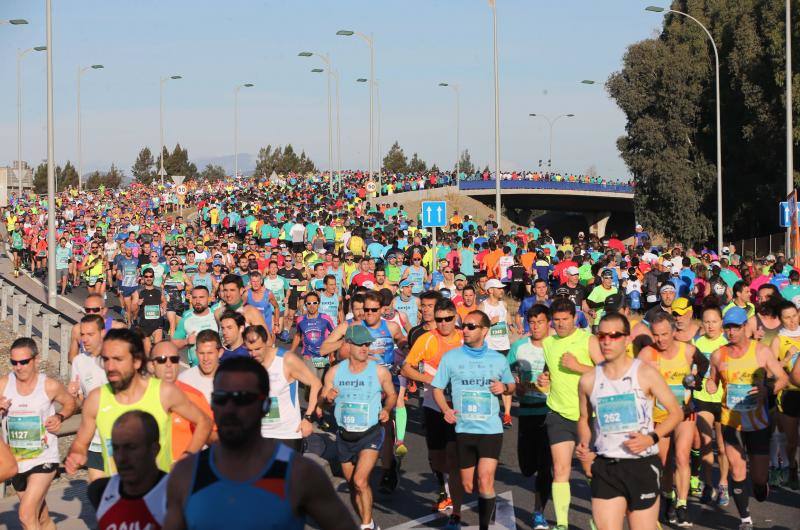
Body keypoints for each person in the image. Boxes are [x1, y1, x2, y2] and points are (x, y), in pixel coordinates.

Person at [163, 356, 357, 530]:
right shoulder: (186, 474)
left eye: (244, 399)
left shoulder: (299, 474)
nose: (231, 408)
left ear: (265, 405)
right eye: (222, 398)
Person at [576, 312, 684, 530]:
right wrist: (585, 446)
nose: (606, 341)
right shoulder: (588, 380)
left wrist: (651, 438)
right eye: (602, 335)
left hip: (640, 465)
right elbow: (585, 418)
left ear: (626, 339)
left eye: (614, 335)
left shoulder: (645, 373)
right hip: (606, 465)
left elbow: (675, 413)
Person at [65, 328, 213, 476]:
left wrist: (187, 458)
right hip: (118, 494)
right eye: (106, 359)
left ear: (136, 361)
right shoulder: (96, 399)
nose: (110, 367)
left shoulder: (163, 393)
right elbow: (81, 443)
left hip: (158, 493)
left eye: (118, 359)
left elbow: (204, 422)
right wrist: (77, 453)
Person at [706, 307, 790, 530]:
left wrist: (767, 390)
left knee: (759, 478)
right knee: (737, 470)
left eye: (735, 327)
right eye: (727, 327)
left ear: (745, 327)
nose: (731, 332)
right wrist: (711, 384)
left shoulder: (761, 352)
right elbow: (711, 380)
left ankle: (761, 486)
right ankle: (745, 519)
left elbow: (782, 378)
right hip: (730, 421)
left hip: (758, 423)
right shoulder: (718, 355)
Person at [432, 310, 516, 530]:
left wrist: (504, 387)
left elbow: (511, 385)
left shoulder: (497, 359)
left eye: (471, 326)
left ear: (484, 331)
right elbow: (437, 389)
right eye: (464, 326)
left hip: (490, 429)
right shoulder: (451, 357)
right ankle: (462, 512)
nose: (465, 330)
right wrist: (445, 410)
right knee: (468, 484)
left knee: (485, 479)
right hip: (463, 428)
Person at [321, 325, 397, 530]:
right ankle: (370, 522)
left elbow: (391, 395)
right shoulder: (335, 372)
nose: (365, 347)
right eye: (360, 344)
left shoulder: (379, 371)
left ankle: (365, 526)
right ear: (348, 344)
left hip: (370, 433)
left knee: (360, 480)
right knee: (354, 487)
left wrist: (387, 409)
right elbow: (323, 399)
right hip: (345, 436)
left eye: (367, 344)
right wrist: (327, 398)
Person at [538, 297, 602, 530]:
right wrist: (543, 379)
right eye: (556, 320)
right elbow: (549, 373)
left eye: (565, 319)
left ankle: (598, 518)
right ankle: (562, 524)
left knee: (590, 471)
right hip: (558, 413)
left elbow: (608, 372)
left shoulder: (589, 340)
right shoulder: (548, 343)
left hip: (588, 416)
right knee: (560, 469)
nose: (561, 324)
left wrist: (578, 367)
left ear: (575, 318)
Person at [638, 312, 707, 526]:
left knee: (682, 457)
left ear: (674, 332)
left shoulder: (687, 350)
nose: (661, 339)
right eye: (656, 335)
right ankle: (669, 499)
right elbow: (633, 378)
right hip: (660, 416)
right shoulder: (647, 354)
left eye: (665, 334)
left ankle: (682, 504)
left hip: (685, 412)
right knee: (665, 464)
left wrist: (696, 380)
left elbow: (703, 365)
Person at [1, 338, 76, 530]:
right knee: (41, 518)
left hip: (43, 458)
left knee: (26, 515)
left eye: (24, 361)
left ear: (35, 360)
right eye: (14, 362)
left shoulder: (49, 386)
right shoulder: (3, 384)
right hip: (16, 460)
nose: (18, 367)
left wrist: (59, 416)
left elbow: (70, 403)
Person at [401, 298, 465, 520]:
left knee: (453, 453)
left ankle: (450, 494)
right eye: (439, 320)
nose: (444, 323)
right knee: (437, 457)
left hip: (459, 406)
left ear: (455, 317)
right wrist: (425, 377)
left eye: (448, 319)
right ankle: (446, 485)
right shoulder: (426, 339)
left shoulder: (464, 337)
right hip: (432, 404)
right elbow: (406, 368)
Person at [508, 305, 553, 530]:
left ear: (549, 323)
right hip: (526, 413)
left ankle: (538, 512)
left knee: (546, 468)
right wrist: (516, 386)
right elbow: (508, 376)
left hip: (551, 413)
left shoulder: (555, 347)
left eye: (540, 322)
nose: (535, 327)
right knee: (527, 467)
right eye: (532, 322)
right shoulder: (518, 347)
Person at [244, 325, 322, 450]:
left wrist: (308, 417)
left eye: (257, 349)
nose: (253, 354)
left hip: (286, 435)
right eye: (249, 350)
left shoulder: (286, 360)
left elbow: (316, 383)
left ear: (267, 342)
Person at [88, 411, 169, 530]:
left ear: (154, 449)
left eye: (130, 448)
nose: (121, 458)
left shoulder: (175, 494)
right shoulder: (100, 490)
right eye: (115, 448)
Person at [148, 341, 217, 460]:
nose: (169, 364)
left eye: (174, 359)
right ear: (151, 365)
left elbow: (214, 438)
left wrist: (187, 456)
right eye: (162, 359)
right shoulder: (139, 395)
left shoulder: (194, 396)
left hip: (183, 473)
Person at [692, 305, 731, 506]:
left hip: (724, 400)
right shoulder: (697, 343)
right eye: (706, 322)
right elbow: (690, 370)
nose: (710, 326)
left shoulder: (727, 343)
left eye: (714, 321)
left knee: (723, 447)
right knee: (706, 442)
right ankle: (708, 485)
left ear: (721, 323)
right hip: (703, 398)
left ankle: (723, 484)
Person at [68, 314, 111, 482]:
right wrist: (73, 396)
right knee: (97, 492)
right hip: (94, 439)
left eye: (90, 334)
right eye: (82, 334)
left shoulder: (116, 358)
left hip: (119, 438)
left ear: (102, 333)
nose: (84, 339)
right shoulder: (79, 361)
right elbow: (81, 403)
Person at [771, 300, 800, 489]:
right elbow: (771, 369)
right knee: (792, 440)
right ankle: (792, 468)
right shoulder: (778, 340)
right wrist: (788, 358)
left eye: (794, 316)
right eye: (787, 318)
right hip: (788, 395)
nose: (792, 321)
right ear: (780, 320)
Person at [480, 278, 515, 428]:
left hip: (504, 347)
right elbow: (479, 329)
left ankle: (507, 414)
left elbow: (508, 321)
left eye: (502, 288)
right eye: (499, 288)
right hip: (489, 349)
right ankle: (489, 411)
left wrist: (513, 327)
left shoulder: (504, 304)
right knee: (490, 381)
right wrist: (490, 322)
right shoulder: (482, 306)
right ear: (490, 290)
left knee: (506, 380)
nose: (502, 290)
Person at [68, 293, 126, 362]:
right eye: (87, 310)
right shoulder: (77, 329)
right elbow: (72, 358)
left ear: (104, 310)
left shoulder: (117, 328)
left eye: (95, 310)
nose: (91, 313)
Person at [172, 285, 219, 367]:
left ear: (209, 299)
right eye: (194, 297)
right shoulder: (186, 319)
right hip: (196, 372)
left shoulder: (217, 315)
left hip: (218, 370)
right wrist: (186, 341)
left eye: (201, 297)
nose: (197, 301)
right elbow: (174, 344)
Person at [178, 329, 223, 402]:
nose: (205, 358)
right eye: (201, 353)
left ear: (220, 353)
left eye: (210, 353)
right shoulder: (184, 380)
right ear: (196, 353)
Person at [131, 268, 168, 352]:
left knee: (157, 349)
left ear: (153, 278)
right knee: (147, 351)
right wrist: (138, 304)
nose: (148, 278)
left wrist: (163, 307)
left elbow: (164, 301)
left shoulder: (159, 290)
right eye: (146, 276)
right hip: (144, 323)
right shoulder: (139, 291)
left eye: (151, 276)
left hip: (157, 322)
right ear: (143, 278)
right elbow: (132, 309)